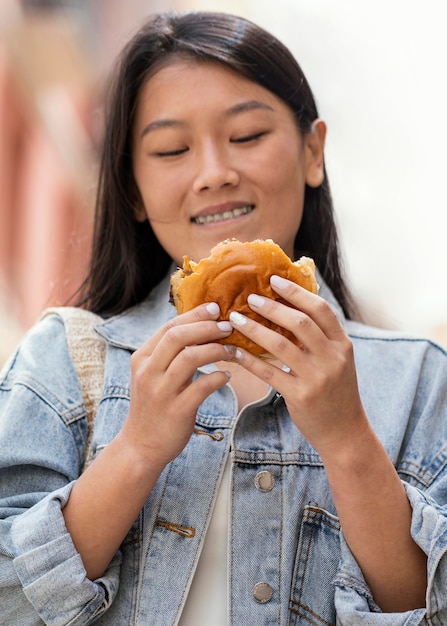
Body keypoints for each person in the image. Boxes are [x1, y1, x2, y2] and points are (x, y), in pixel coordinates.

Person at [1, 11, 447, 626]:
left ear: (313, 151)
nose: (213, 173)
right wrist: (136, 449)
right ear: (132, 188)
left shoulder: (420, 379)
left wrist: (348, 442)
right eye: (171, 149)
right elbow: (9, 600)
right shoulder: (61, 360)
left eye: (246, 137)